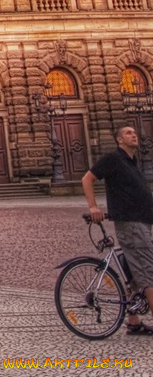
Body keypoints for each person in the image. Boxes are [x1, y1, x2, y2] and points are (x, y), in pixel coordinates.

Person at [84, 125, 153, 335]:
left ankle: (133, 321)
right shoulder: (113, 159)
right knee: (148, 273)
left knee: (133, 272)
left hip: (142, 223)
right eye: (128, 133)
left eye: (134, 132)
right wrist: (93, 207)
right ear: (119, 140)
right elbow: (87, 179)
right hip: (131, 224)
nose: (134, 135)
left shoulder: (132, 162)